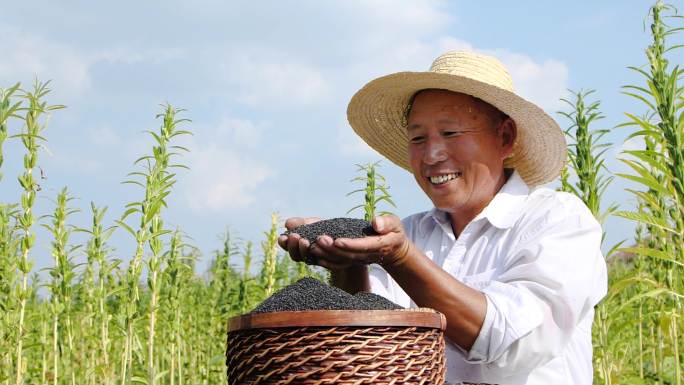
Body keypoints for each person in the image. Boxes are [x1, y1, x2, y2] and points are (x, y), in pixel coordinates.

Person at [278, 51, 607, 385]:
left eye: (450, 133)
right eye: (418, 138)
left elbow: (515, 344)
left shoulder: (556, 221)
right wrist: (348, 263)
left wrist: (402, 257)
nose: (432, 155)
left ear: (505, 137)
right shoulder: (413, 232)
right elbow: (371, 342)